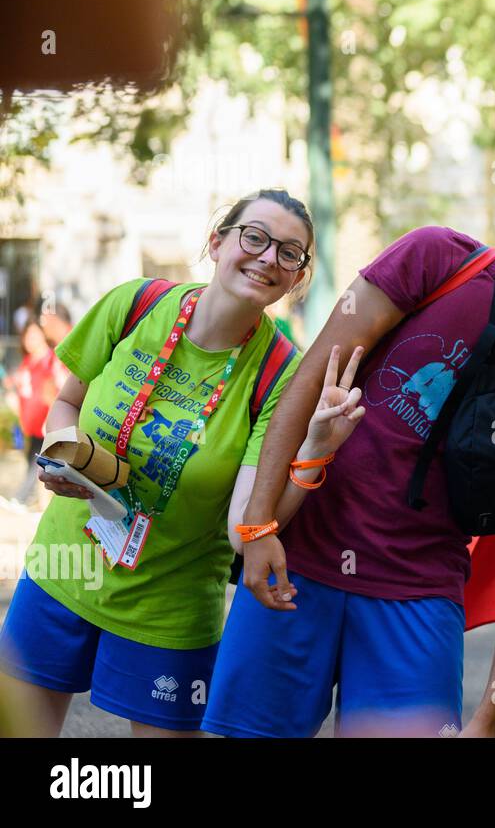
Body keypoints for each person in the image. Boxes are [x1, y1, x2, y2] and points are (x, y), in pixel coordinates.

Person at [202, 146, 495, 738]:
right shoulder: (439, 259)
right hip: (302, 561)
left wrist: (490, 714)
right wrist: (259, 525)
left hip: (419, 596)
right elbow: (309, 377)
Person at [0, 189, 362, 737]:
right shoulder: (136, 303)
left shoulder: (281, 375)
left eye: (290, 253)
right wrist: (63, 455)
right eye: (255, 237)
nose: (268, 258)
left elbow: (247, 530)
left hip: (169, 609)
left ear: (296, 278)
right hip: (60, 572)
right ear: (217, 243)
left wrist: (314, 448)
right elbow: (66, 402)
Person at [2, 320, 69, 510]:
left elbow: (58, 389)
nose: (30, 340)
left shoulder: (51, 360)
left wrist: (51, 416)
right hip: (30, 424)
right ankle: (36, 502)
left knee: (38, 462)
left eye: (34, 335)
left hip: (46, 422)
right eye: (27, 336)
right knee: (34, 460)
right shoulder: (28, 362)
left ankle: (22, 498)